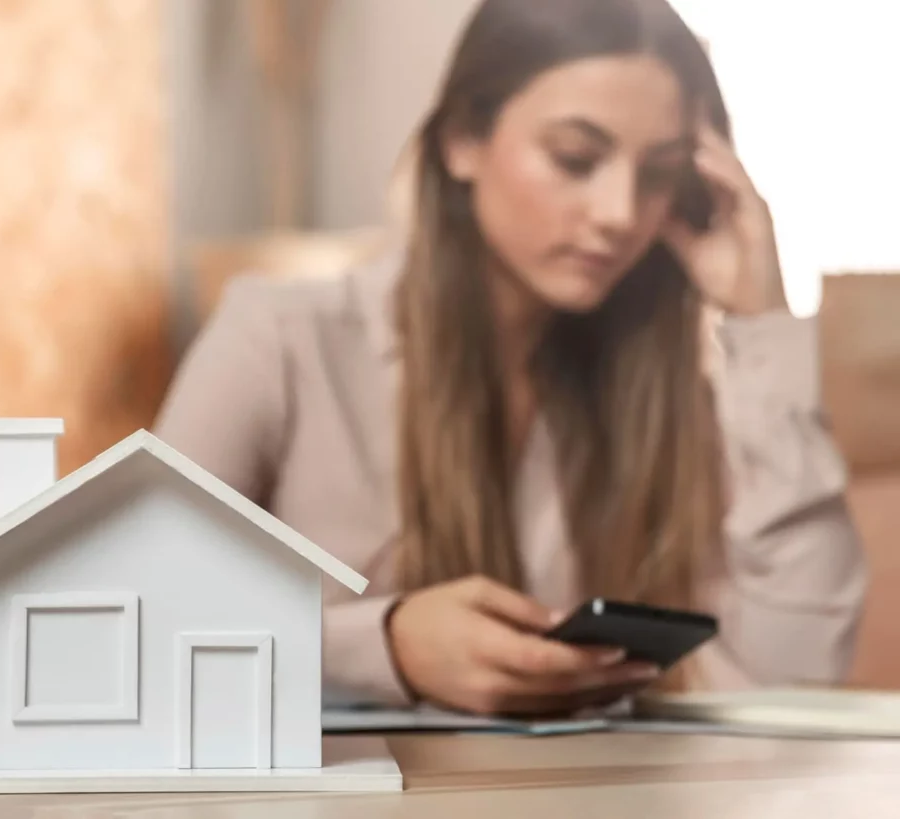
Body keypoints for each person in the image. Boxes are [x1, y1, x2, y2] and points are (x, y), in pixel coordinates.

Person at [155, 0, 867, 716]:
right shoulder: (279, 341)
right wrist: (387, 645)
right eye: (576, 159)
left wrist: (762, 320)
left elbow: (795, 676)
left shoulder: (663, 395)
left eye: (659, 174)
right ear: (462, 138)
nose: (621, 212)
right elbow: (137, 623)